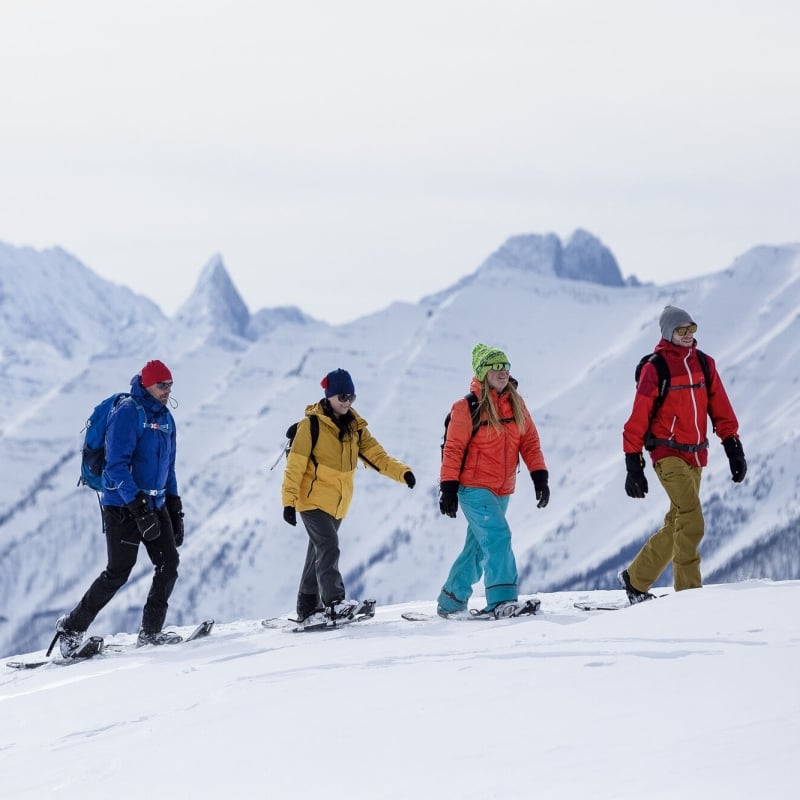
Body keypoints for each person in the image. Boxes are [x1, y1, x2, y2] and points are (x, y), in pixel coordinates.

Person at [54, 360, 185, 655]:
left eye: (170, 385)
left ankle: (151, 632)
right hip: (123, 506)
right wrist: (138, 508)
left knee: (169, 565)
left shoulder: (166, 419)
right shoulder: (127, 413)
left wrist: (174, 508)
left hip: (157, 503)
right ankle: (71, 629)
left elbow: (170, 467)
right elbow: (115, 466)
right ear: (147, 385)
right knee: (118, 572)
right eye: (161, 385)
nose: (167, 390)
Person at [620, 305, 746, 603]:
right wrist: (632, 463)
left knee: (678, 520)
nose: (688, 335)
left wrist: (733, 447)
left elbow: (721, 408)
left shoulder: (705, 364)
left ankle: (636, 579)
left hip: (696, 455)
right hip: (666, 453)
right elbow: (638, 417)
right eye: (681, 330)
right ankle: (689, 596)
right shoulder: (656, 368)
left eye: (691, 329)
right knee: (691, 519)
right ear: (668, 333)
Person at [281, 368, 416, 625]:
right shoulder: (311, 426)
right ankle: (334, 604)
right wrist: (288, 502)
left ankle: (307, 607)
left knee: (318, 552)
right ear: (329, 396)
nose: (347, 402)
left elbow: (378, 456)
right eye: (342, 396)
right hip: (311, 500)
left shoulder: (356, 428)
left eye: (351, 397)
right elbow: (295, 466)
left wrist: (403, 473)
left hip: (337, 503)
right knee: (328, 547)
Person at [436, 343, 550, 618]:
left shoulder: (516, 403)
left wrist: (540, 477)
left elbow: (530, 442)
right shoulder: (466, 407)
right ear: (483, 372)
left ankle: (451, 599)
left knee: (477, 548)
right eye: (496, 367)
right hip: (473, 488)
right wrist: (448, 488)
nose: (503, 372)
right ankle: (502, 600)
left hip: (502, 489)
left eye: (506, 366)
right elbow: (453, 449)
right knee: (499, 537)